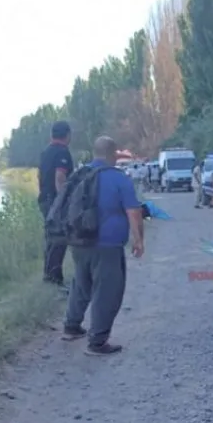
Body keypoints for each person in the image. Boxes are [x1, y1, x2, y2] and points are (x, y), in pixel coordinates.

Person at [63, 136, 145, 356]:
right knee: (107, 291)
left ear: (94, 152)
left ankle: (71, 326)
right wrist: (138, 239)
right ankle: (97, 342)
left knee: (81, 283)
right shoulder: (118, 178)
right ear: (113, 154)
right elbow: (134, 212)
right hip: (108, 244)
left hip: (78, 242)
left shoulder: (80, 175)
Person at [37, 120, 74, 289]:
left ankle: (49, 276)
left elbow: (39, 176)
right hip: (55, 201)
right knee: (59, 239)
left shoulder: (45, 152)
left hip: (45, 199)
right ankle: (54, 279)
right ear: (67, 135)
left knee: (50, 238)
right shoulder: (62, 152)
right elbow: (60, 177)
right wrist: (63, 201)